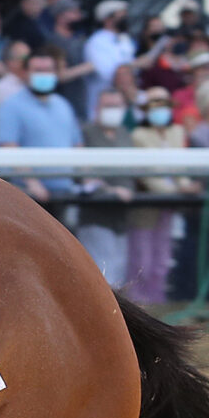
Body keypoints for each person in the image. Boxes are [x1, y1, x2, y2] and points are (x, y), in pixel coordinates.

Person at [126, 86, 189, 305]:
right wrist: (176, 191)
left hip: (169, 204)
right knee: (142, 259)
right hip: (146, 205)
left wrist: (185, 186)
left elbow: (180, 168)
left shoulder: (177, 132)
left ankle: (158, 303)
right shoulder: (138, 135)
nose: (159, 109)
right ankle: (139, 304)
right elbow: (145, 174)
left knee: (162, 259)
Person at [0, 50, 82, 204]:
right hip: (29, 197)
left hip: (66, 193)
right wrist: (32, 182)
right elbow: (9, 148)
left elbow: (77, 146)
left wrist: (89, 180)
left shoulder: (63, 105)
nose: (44, 75)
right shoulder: (11, 105)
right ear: (25, 73)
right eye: (38, 71)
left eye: (48, 70)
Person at [76, 89, 135, 289]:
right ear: (97, 109)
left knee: (119, 276)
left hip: (122, 218)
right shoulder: (86, 133)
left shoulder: (125, 135)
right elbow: (83, 174)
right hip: (95, 216)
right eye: (107, 106)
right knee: (102, 278)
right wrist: (111, 191)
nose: (112, 111)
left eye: (116, 107)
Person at [83, 1, 139, 121]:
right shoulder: (96, 42)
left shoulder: (125, 39)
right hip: (103, 102)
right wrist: (133, 66)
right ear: (107, 19)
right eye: (121, 15)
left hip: (126, 101)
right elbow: (108, 73)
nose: (125, 18)